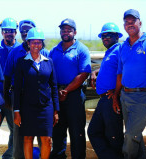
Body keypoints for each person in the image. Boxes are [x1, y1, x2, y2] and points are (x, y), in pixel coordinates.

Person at [112, 9, 146, 158]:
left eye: (132, 21)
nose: (129, 24)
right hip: (125, 96)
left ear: (140, 22)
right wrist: (116, 96)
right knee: (135, 137)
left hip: (143, 97)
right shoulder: (123, 46)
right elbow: (120, 72)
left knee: (131, 136)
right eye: (126, 22)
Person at [4, 19, 49, 159]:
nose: (25, 34)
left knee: (43, 135)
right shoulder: (14, 52)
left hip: (40, 99)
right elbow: (7, 76)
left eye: (28, 31)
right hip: (19, 97)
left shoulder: (45, 53)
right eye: (23, 31)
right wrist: (7, 99)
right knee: (19, 134)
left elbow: (51, 79)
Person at [13, 28, 59, 159]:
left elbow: (54, 86)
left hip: (46, 108)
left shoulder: (48, 61)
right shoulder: (21, 62)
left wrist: (56, 110)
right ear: (28, 43)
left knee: (46, 139)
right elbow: (17, 88)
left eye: (39, 42)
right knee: (28, 138)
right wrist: (17, 111)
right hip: (27, 107)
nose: (36, 45)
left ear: (42, 44)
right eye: (33, 42)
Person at [49, 18, 91, 159]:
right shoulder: (54, 50)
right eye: (63, 30)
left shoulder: (81, 49)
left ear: (75, 32)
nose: (65, 32)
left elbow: (84, 73)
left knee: (76, 132)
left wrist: (66, 90)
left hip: (74, 95)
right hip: (57, 95)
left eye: (69, 30)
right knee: (57, 131)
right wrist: (56, 92)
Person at [87, 22, 124, 159]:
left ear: (116, 36)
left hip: (112, 98)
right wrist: (94, 72)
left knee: (113, 135)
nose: (105, 38)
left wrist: (116, 93)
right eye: (103, 36)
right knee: (94, 131)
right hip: (104, 99)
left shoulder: (120, 49)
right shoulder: (110, 51)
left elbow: (125, 71)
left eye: (109, 35)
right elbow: (109, 69)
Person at [0, 17, 21, 159]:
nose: (9, 33)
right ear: (2, 32)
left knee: (15, 129)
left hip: (14, 96)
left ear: (16, 32)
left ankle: (9, 156)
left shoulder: (21, 49)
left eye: (11, 31)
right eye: (6, 31)